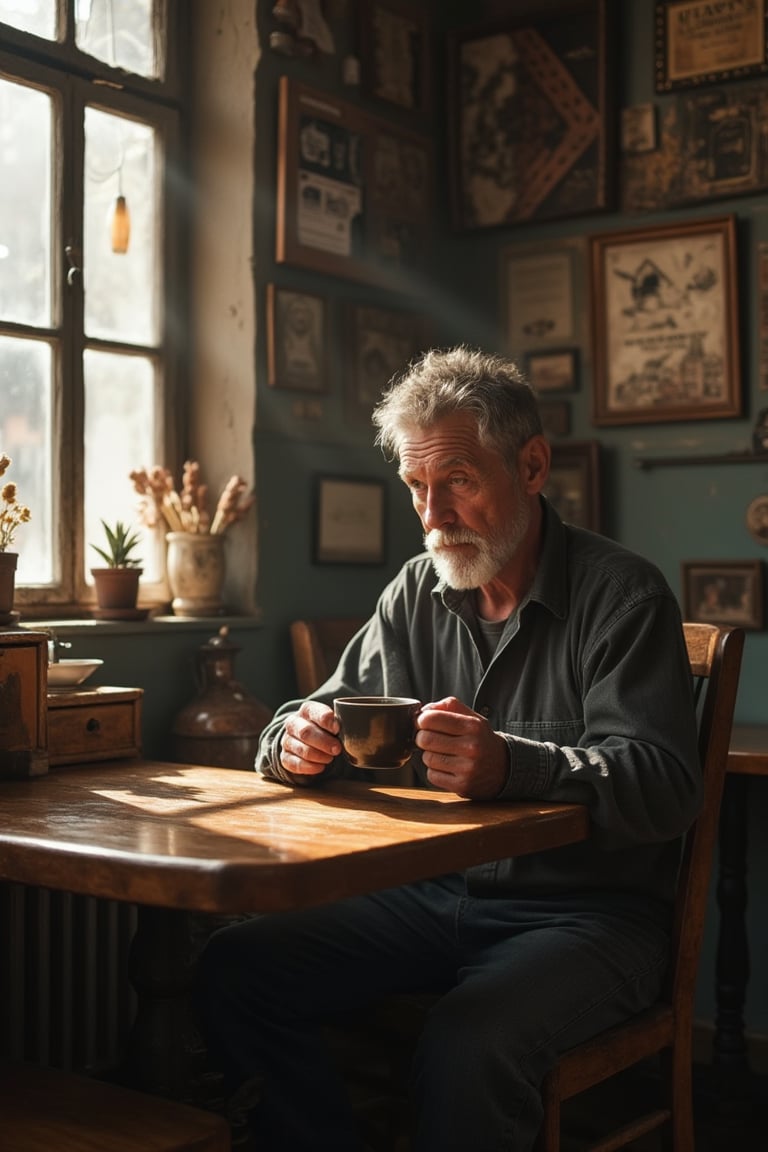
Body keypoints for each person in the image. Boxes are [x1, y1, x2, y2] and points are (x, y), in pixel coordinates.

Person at [195, 345, 701, 1152]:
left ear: (532, 466)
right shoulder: (413, 592)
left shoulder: (623, 597)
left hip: (589, 917)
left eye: (458, 481)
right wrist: (290, 742)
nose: (433, 516)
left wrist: (515, 764)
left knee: (468, 1044)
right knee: (236, 967)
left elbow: (666, 786)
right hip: (428, 900)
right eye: (416, 488)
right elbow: (307, 713)